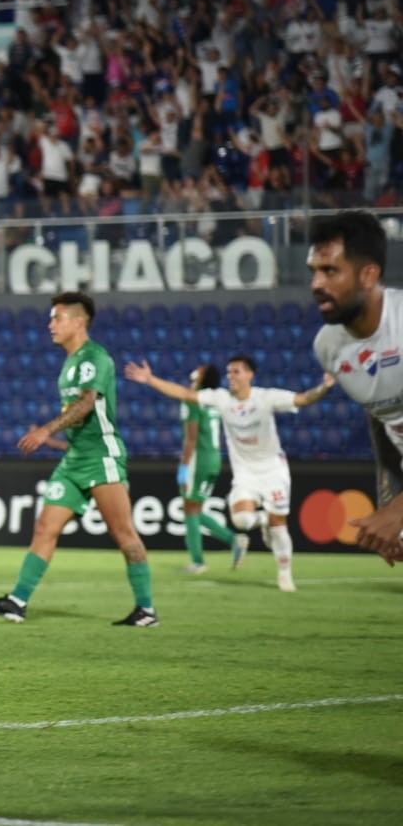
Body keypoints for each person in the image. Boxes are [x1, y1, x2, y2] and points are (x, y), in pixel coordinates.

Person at [0, 292, 158, 626]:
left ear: (79, 321)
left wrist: (46, 430)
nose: (50, 325)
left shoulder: (94, 357)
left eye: (57, 318)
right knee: (45, 527)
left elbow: (87, 403)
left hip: (102, 456)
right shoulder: (69, 365)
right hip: (75, 460)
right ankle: (18, 601)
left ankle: (146, 609)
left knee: (123, 533)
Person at [124, 356, 333, 591]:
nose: (231, 376)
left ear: (250, 375)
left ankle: (284, 573)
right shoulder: (221, 399)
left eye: (237, 372)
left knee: (279, 526)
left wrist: (324, 387)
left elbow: (303, 399)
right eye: (229, 372)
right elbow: (184, 394)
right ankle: (262, 519)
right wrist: (150, 379)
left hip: (273, 470)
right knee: (241, 520)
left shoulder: (266, 397)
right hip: (245, 473)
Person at [308, 210, 403, 565]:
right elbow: (382, 421)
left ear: (368, 274)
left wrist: (398, 510)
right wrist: (389, 501)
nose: (316, 284)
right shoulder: (327, 347)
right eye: (314, 271)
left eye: (330, 271)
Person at [173, 365, 239, 574]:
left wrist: (183, 468)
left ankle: (198, 562)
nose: (194, 371)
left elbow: (191, 439)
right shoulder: (214, 403)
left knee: (189, 509)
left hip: (198, 460)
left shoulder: (193, 400)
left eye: (199, 370)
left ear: (202, 377)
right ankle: (234, 540)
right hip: (214, 459)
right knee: (195, 509)